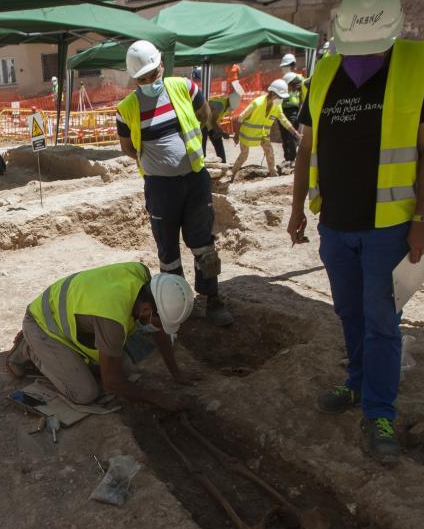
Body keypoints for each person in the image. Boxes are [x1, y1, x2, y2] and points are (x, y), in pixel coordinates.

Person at [288, 0, 424, 463]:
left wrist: (423, 218)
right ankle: (357, 384)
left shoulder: (421, 64)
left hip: (389, 226)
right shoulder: (325, 72)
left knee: (382, 323)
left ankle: (380, 411)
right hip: (335, 224)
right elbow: (306, 148)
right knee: (349, 313)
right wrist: (298, 206)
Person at [115, 40, 233, 327]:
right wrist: (156, 162)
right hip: (160, 188)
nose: (148, 82)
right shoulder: (126, 108)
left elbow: (205, 115)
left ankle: (212, 298)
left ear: (162, 67)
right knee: (167, 252)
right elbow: (128, 147)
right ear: (135, 79)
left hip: (194, 181)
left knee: (203, 243)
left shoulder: (184, 88)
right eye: (142, 79)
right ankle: (178, 305)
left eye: (152, 75)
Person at [5, 262, 197, 410]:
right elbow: (111, 382)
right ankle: (29, 348)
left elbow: (159, 330)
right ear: (147, 310)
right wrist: (158, 398)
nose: (161, 327)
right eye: (162, 321)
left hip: (70, 312)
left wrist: (176, 374)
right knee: (84, 393)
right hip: (42, 323)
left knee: (125, 366)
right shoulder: (113, 319)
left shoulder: (143, 279)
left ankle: (69, 357)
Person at [231, 79, 302, 180]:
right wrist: (236, 136)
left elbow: (283, 120)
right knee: (244, 156)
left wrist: (295, 133)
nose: (281, 99)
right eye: (280, 96)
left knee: (269, 151)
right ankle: (231, 174)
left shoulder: (277, 105)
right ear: (273, 93)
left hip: (262, 135)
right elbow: (240, 118)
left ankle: (272, 173)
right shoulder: (257, 103)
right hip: (247, 135)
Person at [279, 53, 306, 169]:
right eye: (284, 66)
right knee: (284, 136)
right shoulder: (281, 80)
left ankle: (293, 159)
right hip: (282, 110)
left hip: (294, 110)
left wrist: (303, 109)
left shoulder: (300, 79)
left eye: (287, 65)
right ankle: (287, 159)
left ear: (292, 66)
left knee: (292, 135)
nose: (284, 68)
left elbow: (304, 95)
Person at [202, 92, 240, 162]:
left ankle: (223, 164)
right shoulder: (220, 105)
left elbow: (216, 120)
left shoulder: (227, 106)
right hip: (202, 124)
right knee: (201, 150)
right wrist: (222, 133)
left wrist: (218, 131)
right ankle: (202, 167)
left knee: (218, 142)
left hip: (209, 125)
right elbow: (212, 121)